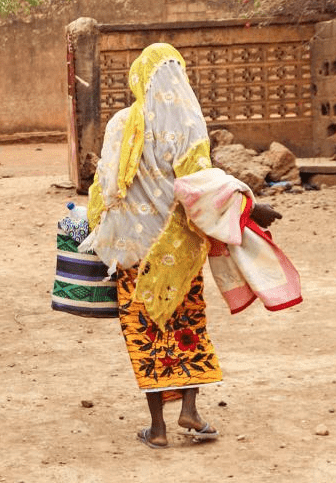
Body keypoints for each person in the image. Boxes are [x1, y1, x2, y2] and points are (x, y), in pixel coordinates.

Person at [81, 43, 301, 449]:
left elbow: (102, 187)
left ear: (139, 79)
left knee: (145, 330)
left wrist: (99, 231)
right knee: (188, 325)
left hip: (132, 250)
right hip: (177, 248)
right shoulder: (187, 123)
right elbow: (202, 186)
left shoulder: (118, 125)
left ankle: (158, 428)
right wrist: (248, 205)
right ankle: (191, 411)